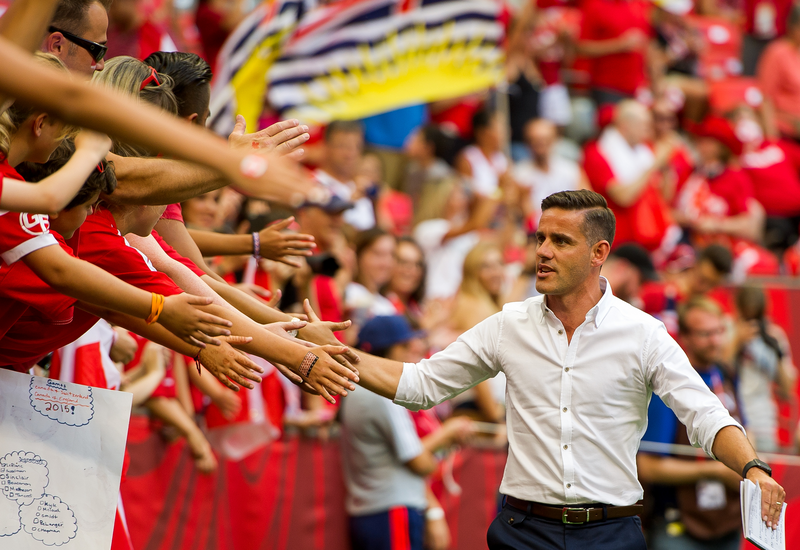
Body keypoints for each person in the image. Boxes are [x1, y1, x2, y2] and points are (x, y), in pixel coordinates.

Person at [347, 190, 785, 550]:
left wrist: (753, 468)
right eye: (541, 238)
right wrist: (329, 351)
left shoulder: (643, 333)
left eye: (560, 241)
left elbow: (706, 415)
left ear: (599, 253)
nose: (542, 251)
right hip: (523, 531)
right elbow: (420, 386)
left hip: (612, 534)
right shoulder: (508, 325)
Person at [340, 315, 472, 550]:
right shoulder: (380, 393)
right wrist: (447, 434)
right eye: (402, 345)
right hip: (391, 510)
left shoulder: (357, 388)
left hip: (373, 509)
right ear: (384, 350)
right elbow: (418, 462)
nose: (410, 350)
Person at [638, 298, 745, 550]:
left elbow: (745, 431)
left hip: (728, 520)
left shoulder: (725, 373)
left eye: (720, 331)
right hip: (679, 525)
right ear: (684, 337)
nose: (715, 340)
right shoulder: (668, 386)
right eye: (705, 334)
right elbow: (648, 466)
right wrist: (716, 471)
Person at [583, 100, 679, 257]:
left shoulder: (645, 150)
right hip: (617, 241)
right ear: (625, 125)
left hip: (648, 236)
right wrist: (655, 163)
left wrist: (666, 165)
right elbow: (623, 197)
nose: (649, 130)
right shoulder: (597, 153)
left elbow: (666, 197)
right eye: (644, 125)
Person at [733, 286, 797, 453]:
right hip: (732, 417)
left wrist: (777, 352)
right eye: (748, 317)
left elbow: (787, 388)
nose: (753, 324)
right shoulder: (727, 329)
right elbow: (717, 369)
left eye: (756, 318)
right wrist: (736, 341)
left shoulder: (774, 335)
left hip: (763, 421)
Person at [641, 244, 734, 336]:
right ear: (695, 265)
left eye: (712, 284)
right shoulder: (658, 293)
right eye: (702, 280)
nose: (705, 288)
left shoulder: (713, 305)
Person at [514, 118, 588, 228]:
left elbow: (587, 204)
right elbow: (521, 215)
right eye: (535, 140)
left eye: (545, 139)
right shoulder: (518, 174)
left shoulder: (571, 169)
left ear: (554, 140)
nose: (541, 144)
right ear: (527, 142)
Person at [577, 0, 651, 105]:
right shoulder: (595, 6)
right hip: (607, 86)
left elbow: (648, 46)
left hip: (638, 86)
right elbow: (581, 48)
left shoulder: (639, 6)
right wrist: (619, 45)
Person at [315, 120, 375, 230]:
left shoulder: (362, 188)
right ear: (326, 146)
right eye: (343, 146)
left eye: (357, 146)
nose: (350, 154)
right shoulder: (314, 184)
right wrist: (350, 201)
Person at [756, 4, 800, 140]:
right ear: (793, 27)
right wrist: (771, 138)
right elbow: (766, 99)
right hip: (786, 128)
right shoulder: (777, 53)